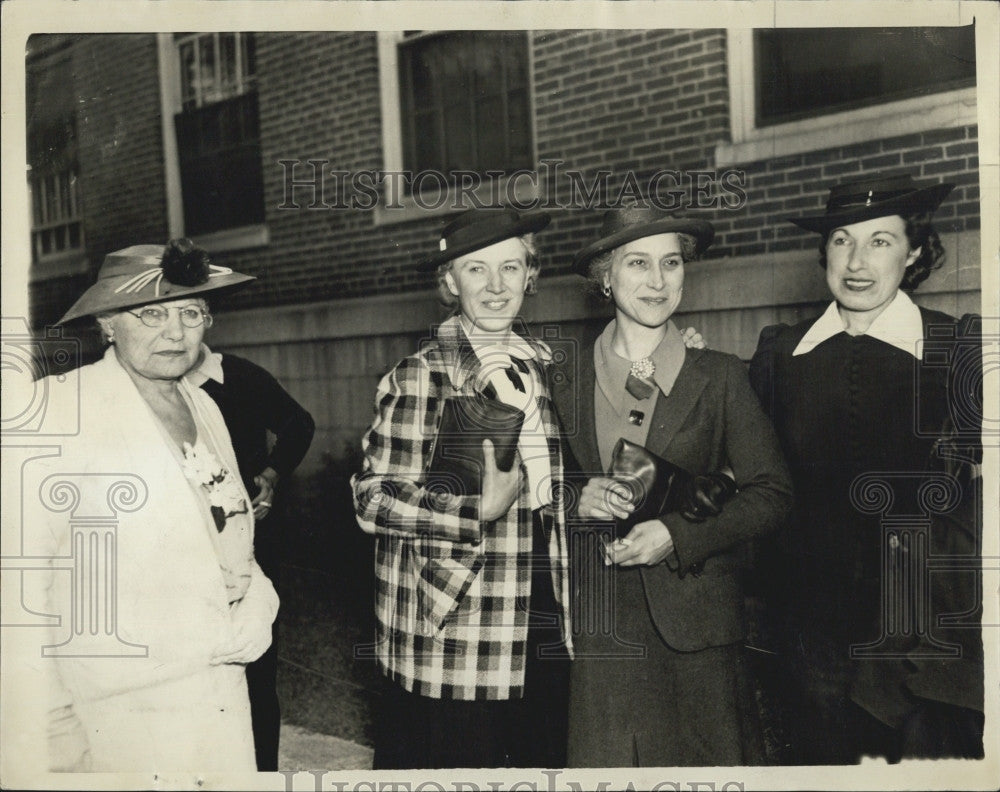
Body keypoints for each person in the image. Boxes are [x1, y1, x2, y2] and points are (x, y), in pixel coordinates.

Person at [748, 173, 984, 763]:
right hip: (811, 639)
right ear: (823, 252)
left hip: (922, 641)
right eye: (841, 240)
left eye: (880, 241)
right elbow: (750, 480)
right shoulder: (781, 354)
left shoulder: (957, 350)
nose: (857, 261)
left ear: (915, 252)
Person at [553, 205, 794, 767]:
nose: (658, 282)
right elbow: (535, 486)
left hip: (699, 635)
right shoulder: (561, 378)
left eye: (671, 263)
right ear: (605, 278)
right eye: (638, 264)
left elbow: (772, 492)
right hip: (602, 633)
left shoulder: (720, 374)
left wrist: (677, 534)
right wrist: (573, 497)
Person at [29, 239, 279, 771]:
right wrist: (56, 739)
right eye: (151, 313)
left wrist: (260, 597)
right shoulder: (59, 409)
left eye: (190, 311)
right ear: (107, 324)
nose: (176, 331)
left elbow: (227, 534)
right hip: (118, 714)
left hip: (218, 693)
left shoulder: (205, 405)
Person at [351, 208, 573, 769]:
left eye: (510, 267)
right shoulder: (424, 373)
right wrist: (476, 511)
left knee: (537, 763)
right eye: (477, 270)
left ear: (531, 274)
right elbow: (371, 496)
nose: (496, 286)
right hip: (459, 620)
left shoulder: (545, 366)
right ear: (450, 282)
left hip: (542, 606)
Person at [187, 344, 315, 771]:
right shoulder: (137, 387)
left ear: (208, 317)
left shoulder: (238, 377)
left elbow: (298, 424)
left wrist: (271, 476)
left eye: (191, 312)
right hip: (178, 550)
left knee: (256, 672)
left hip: (247, 547)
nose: (176, 329)